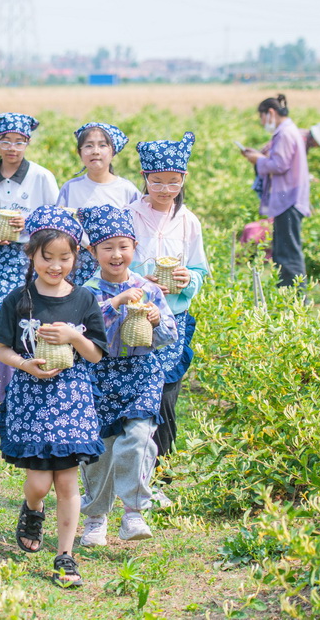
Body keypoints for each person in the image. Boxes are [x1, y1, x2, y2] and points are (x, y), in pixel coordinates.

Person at [0, 205, 107, 588]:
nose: (56, 266)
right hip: (31, 396)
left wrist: (75, 337)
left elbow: (96, 354)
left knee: (68, 483)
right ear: (32, 255)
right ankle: (32, 508)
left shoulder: (84, 300)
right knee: (40, 483)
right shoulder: (19, 299)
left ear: (76, 257)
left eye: (65, 257)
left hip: (71, 398)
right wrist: (24, 365)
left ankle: (66, 556)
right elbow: (2, 348)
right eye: (48, 257)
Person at [77, 204, 177, 545]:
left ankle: (134, 512)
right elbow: (83, 333)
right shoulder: (87, 292)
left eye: (123, 246)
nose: (116, 254)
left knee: (137, 438)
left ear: (134, 248)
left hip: (141, 373)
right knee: (99, 449)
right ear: (93, 252)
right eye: (107, 247)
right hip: (99, 375)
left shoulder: (149, 290)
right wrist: (115, 303)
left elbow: (169, 335)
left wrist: (154, 321)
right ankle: (96, 517)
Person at [126, 133, 209, 498]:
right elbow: (115, 259)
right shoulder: (130, 215)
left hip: (174, 319)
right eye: (157, 180)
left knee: (167, 396)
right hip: (137, 317)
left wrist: (187, 278)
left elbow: (200, 270)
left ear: (184, 178)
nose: (165, 188)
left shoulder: (189, 221)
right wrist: (137, 276)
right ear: (144, 177)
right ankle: (132, 477)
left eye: (173, 180)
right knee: (136, 397)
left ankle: (162, 477)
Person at [0, 112, 58, 402]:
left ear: (27, 143)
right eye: (6, 141)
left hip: (30, 256)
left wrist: (27, 223)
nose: (13, 148)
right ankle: (8, 396)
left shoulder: (40, 176)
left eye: (20, 142)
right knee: (0, 324)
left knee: (33, 319)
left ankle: (38, 390)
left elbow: (54, 216)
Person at [239, 94, 311, 287]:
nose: (263, 123)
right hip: (289, 199)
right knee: (282, 250)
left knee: (288, 252)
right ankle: (289, 295)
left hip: (289, 200)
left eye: (262, 118)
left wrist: (258, 160)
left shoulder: (285, 133)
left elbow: (279, 165)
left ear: (270, 113)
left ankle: (295, 297)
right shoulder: (289, 131)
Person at [57, 122, 140, 286]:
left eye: (102, 145)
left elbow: (137, 231)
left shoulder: (127, 190)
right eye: (88, 146)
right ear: (80, 153)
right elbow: (59, 228)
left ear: (112, 151)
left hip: (115, 266)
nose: (95, 151)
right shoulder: (70, 188)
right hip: (78, 266)